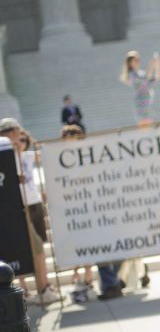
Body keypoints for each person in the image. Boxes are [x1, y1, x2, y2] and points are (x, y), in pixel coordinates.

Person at [0, 117, 60, 305]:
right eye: (15, 131)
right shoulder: (4, 152)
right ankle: (37, 288)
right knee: (29, 250)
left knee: (37, 248)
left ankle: (42, 287)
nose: (19, 135)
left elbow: (43, 155)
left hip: (25, 206)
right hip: (14, 209)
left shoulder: (19, 152)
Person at [59, 125, 97, 302]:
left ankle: (88, 279)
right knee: (75, 243)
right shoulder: (59, 160)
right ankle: (78, 276)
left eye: (74, 135)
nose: (71, 138)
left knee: (89, 241)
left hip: (87, 206)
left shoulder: (87, 156)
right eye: (68, 136)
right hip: (70, 209)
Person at [120, 50, 160, 124]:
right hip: (141, 106)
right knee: (145, 128)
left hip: (149, 105)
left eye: (138, 60)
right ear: (130, 63)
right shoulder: (131, 75)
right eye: (135, 60)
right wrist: (151, 66)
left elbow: (154, 79)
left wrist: (157, 67)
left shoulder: (141, 73)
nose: (138, 62)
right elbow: (145, 79)